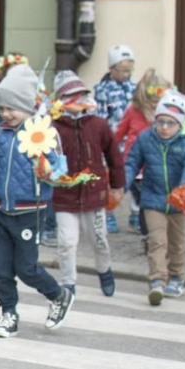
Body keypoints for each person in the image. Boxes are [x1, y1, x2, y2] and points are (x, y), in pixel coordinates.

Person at [0, 64, 75, 338]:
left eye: (12, 108)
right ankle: (9, 314)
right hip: (1, 210)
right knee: (1, 268)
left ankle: (58, 295)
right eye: (2, 108)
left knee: (26, 268)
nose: (6, 114)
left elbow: (59, 169)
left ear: (27, 106)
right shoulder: (1, 134)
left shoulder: (42, 132)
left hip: (30, 211)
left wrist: (47, 171)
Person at [51, 70, 125, 297]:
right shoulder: (52, 127)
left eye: (79, 94)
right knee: (67, 242)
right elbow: (43, 158)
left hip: (94, 195)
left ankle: (104, 270)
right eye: (68, 96)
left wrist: (118, 185)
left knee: (99, 239)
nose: (76, 100)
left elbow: (114, 156)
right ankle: (68, 282)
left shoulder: (98, 125)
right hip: (64, 196)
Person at [125, 90, 185, 305]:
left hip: (179, 200)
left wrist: (184, 189)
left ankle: (176, 277)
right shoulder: (145, 138)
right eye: (161, 122)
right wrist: (122, 184)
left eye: (170, 123)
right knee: (157, 241)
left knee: (177, 243)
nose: (165, 127)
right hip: (152, 198)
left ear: (180, 124)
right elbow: (132, 162)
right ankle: (157, 280)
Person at [115, 69, 171, 236]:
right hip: (136, 164)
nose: (155, 105)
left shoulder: (167, 114)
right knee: (145, 199)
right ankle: (149, 233)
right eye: (151, 102)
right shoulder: (133, 110)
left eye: (158, 101)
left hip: (158, 164)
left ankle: (152, 230)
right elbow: (118, 134)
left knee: (154, 200)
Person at [95, 44, 137, 234]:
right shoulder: (103, 90)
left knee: (137, 179)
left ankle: (136, 213)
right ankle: (108, 211)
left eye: (129, 70)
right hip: (114, 141)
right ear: (111, 68)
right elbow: (101, 117)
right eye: (122, 70)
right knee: (112, 178)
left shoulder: (135, 88)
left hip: (133, 142)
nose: (126, 74)